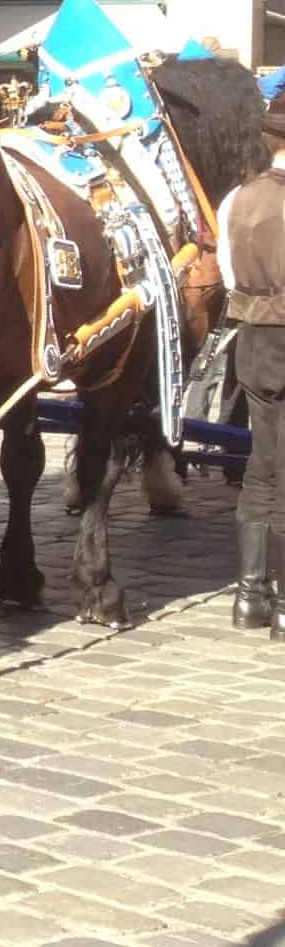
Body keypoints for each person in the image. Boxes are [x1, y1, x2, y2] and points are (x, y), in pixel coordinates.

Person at [217, 106, 285, 635]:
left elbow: (226, 274)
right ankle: (283, 604)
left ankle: (249, 596)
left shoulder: (236, 200)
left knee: (263, 461)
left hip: (253, 338)